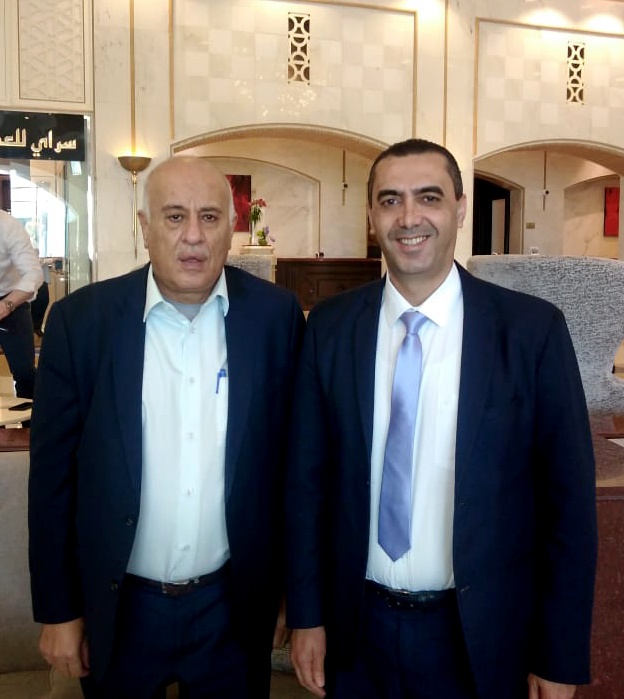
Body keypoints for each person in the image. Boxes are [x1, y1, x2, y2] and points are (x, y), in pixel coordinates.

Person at [285, 139, 597, 699]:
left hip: (481, 638)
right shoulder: (329, 329)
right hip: (357, 633)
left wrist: (560, 656)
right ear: (372, 215)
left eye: (428, 197)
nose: (409, 218)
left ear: (459, 208)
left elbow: (568, 506)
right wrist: (307, 616)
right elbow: (307, 486)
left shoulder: (531, 332)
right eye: (390, 200)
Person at [29, 156, 305, 698]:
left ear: (232, 227)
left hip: (232, 606)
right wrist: (59, 610)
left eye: (210, 217)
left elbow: (293, 470)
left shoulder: (275, 319)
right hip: (119, 607)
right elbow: (52, 480)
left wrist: (291, 591)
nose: (193, 236)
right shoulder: (81, 322)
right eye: (175, 217)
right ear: (145, 226)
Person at [0, 209, 43, 398]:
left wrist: (7, 305)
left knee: (24, 372)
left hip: (12, 300)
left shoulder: (8, 225)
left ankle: (33, 416)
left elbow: (34, 273)